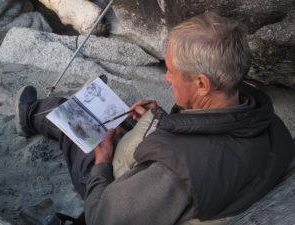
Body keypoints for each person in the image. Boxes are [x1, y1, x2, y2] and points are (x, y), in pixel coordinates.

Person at [15, 11, 294, 225]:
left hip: (125, 187)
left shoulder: (172, 174)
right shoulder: (271, 124)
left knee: (78, 122)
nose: (166, 76)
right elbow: (207, 142)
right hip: (192, 177)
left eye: (171, 69)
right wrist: (159, 118)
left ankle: (30, 115)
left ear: (201, 84)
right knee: (120, 120)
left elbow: (102, 217)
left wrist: (102, 163)